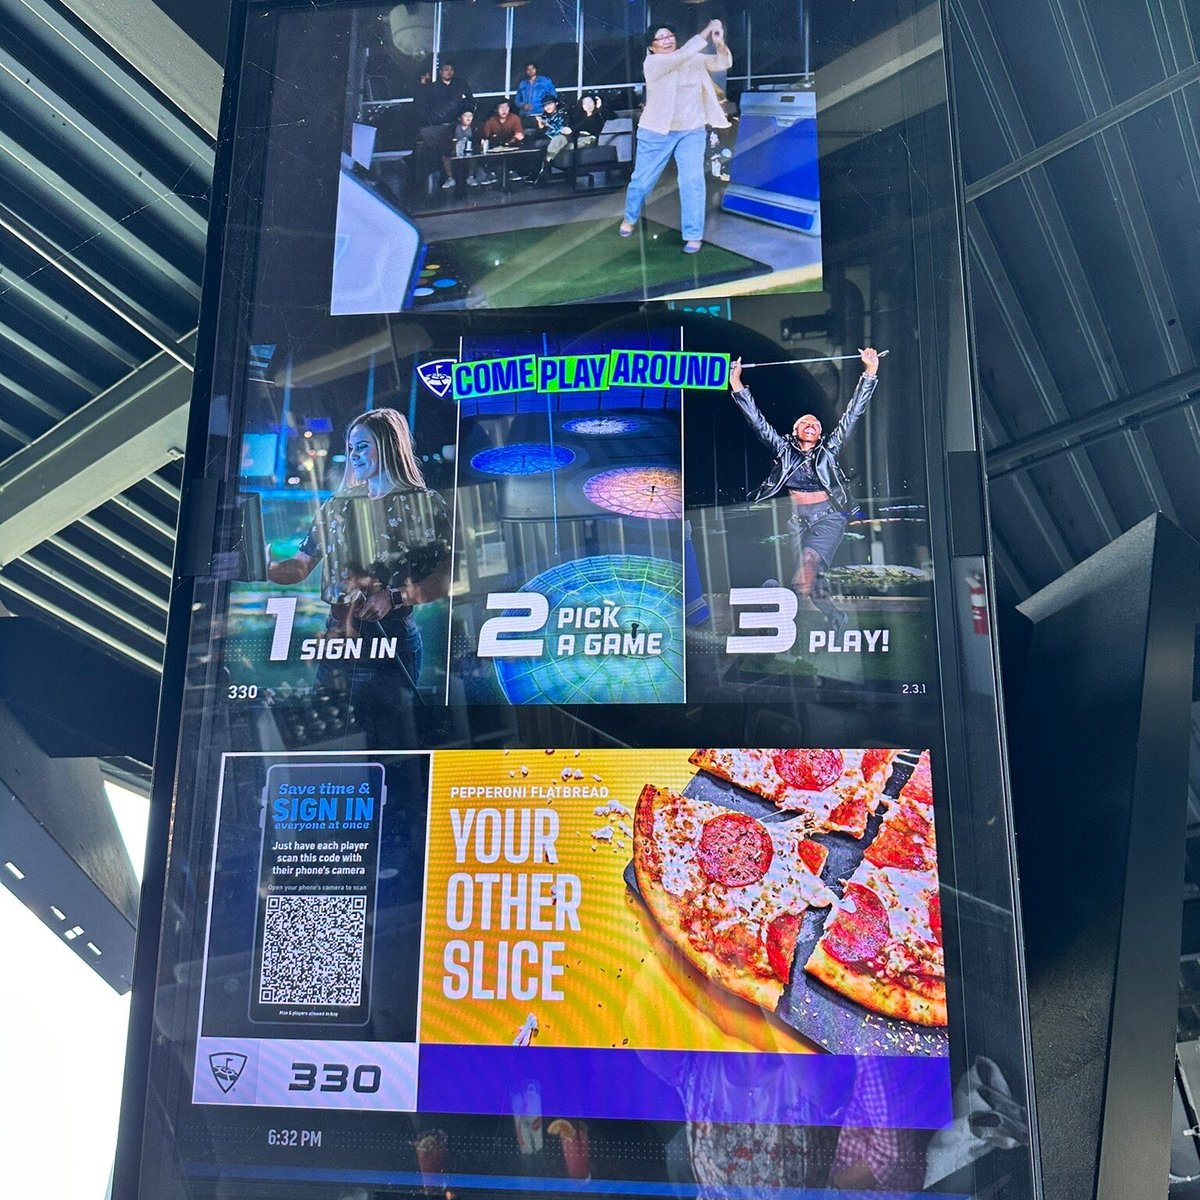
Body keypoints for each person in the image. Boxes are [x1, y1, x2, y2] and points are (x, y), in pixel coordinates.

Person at [266, 408, 453, 703]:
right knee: (323, 727)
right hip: (337, 637)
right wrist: (266, 566)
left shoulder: (426, 504)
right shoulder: (337, 505)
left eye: (362, 446)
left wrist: (394, 598)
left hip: (390, 638)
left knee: (390, 734)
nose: (353, 455)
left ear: (390, 446)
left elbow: (446, 576)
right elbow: (301, 566)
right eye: (351, 448)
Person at [728, 349, 881, 632]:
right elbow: (757, 421)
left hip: (828, 517)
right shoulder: (783, 450)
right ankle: (834, 616)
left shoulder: (830, 449)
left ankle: (787, 612)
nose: (811, 424)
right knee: (809, 577)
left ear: (821, 434)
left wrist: (870, 371)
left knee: (808, 563)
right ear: (794, 431)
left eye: (816, 423)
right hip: (796, 519)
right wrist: (736, 383)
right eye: (805, 422)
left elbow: (853, 413)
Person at [620, 21, 731, 253]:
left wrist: (719, 44)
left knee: (692, 182)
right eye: (661, 38)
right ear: (651, 47)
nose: (667, 40)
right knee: (642, 182)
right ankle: (629, 218)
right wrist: (707, 30)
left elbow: (723, 63)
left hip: (691, 130)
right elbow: (682, 55)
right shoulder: (653, 63)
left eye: (670, 35)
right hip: (656, 131)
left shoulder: (692, 58)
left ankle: (693, 235)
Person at [417, 61, 474, 187]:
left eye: (451, 69)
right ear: (441, 72)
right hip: (441, 126)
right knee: (445, 153)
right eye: (446, 69)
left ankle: (470, 176)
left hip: (458, 124)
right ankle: (450, 177)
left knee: (466, 150)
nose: (448, 72)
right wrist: (432, 120)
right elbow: (423, 107)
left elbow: (470, 101)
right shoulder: (432, 88)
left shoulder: (460, 84)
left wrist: (465, 116)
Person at [449, 108, 495, 188]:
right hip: (455, 150)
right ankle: (450, 178)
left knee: (473, 156)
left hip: (471, 150)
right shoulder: (453, 127)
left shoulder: (476, 127)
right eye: (465, 115)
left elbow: (481, 138)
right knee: (446, 156)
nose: (468, 118)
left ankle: (471, 177)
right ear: (460, 118)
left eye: (470, 115)